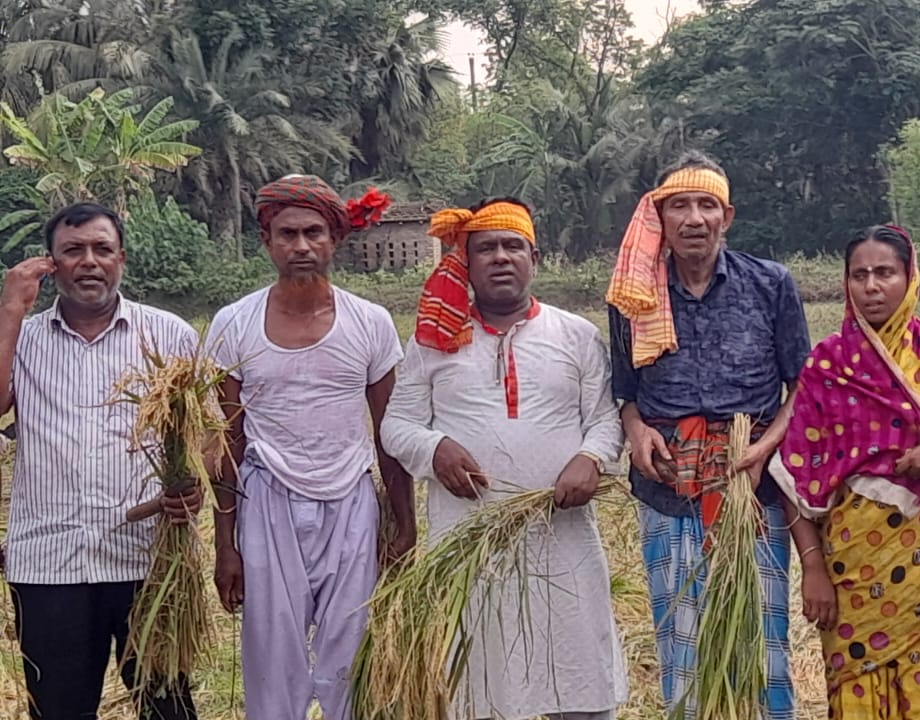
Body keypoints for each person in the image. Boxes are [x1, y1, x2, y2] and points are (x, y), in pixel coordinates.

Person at [381, 198, 629, 719]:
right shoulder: (433, 342)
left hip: (561, 536)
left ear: (534, 259)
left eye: (513, 246)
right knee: (479, 678)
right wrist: (435, 448)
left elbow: (606, 420)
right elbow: (395, 426)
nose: (500, 257)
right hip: (470, 539)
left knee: (576, 664)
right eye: (486, 248)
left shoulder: (576, 335)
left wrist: (591, 457)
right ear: (464, 264)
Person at [772, 225, 920, 720]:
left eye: (885, 273)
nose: (872, 286)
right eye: (860, 275)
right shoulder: (827, 367)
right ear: (846, 283)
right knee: (861, 693)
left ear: (910, 277)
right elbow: (792, 476)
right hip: (855, 567)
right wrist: (813, 567)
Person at [606, 151, 809, 719]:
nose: (694, 218)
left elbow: (802, 386)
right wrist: (638, 431)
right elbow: (625, 390)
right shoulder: (633, 296)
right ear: (659, 217)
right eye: (679, 206)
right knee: (683, 641)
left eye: (706, 205)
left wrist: (765, 449)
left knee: (761, 637)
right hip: (668, 484)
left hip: (752, 489)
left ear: (728, 215)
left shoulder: (770, 284)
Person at [209, 175, 415, 719]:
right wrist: (225, 544)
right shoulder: (233, 324)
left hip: (351, 502)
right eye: (287, 234)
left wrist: (404, 526)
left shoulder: (369, 323)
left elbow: (388, 436)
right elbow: (227, 439)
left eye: (313, 233)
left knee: (352, 653)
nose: (301, 246)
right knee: (271, 658)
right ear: (266, 241)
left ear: (335, 239)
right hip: (265, 501)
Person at [0, 203, 202, 719]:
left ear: (121, 259)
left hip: (151, 561)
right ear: (51, 264)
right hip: (49, 564)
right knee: (61, 710)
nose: (89, 261)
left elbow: (203, 439)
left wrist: (192, 485)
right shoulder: (20, 338)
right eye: (73, 251)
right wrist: (10, 313)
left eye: (101, 249)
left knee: (168, 710)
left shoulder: (170, 335)